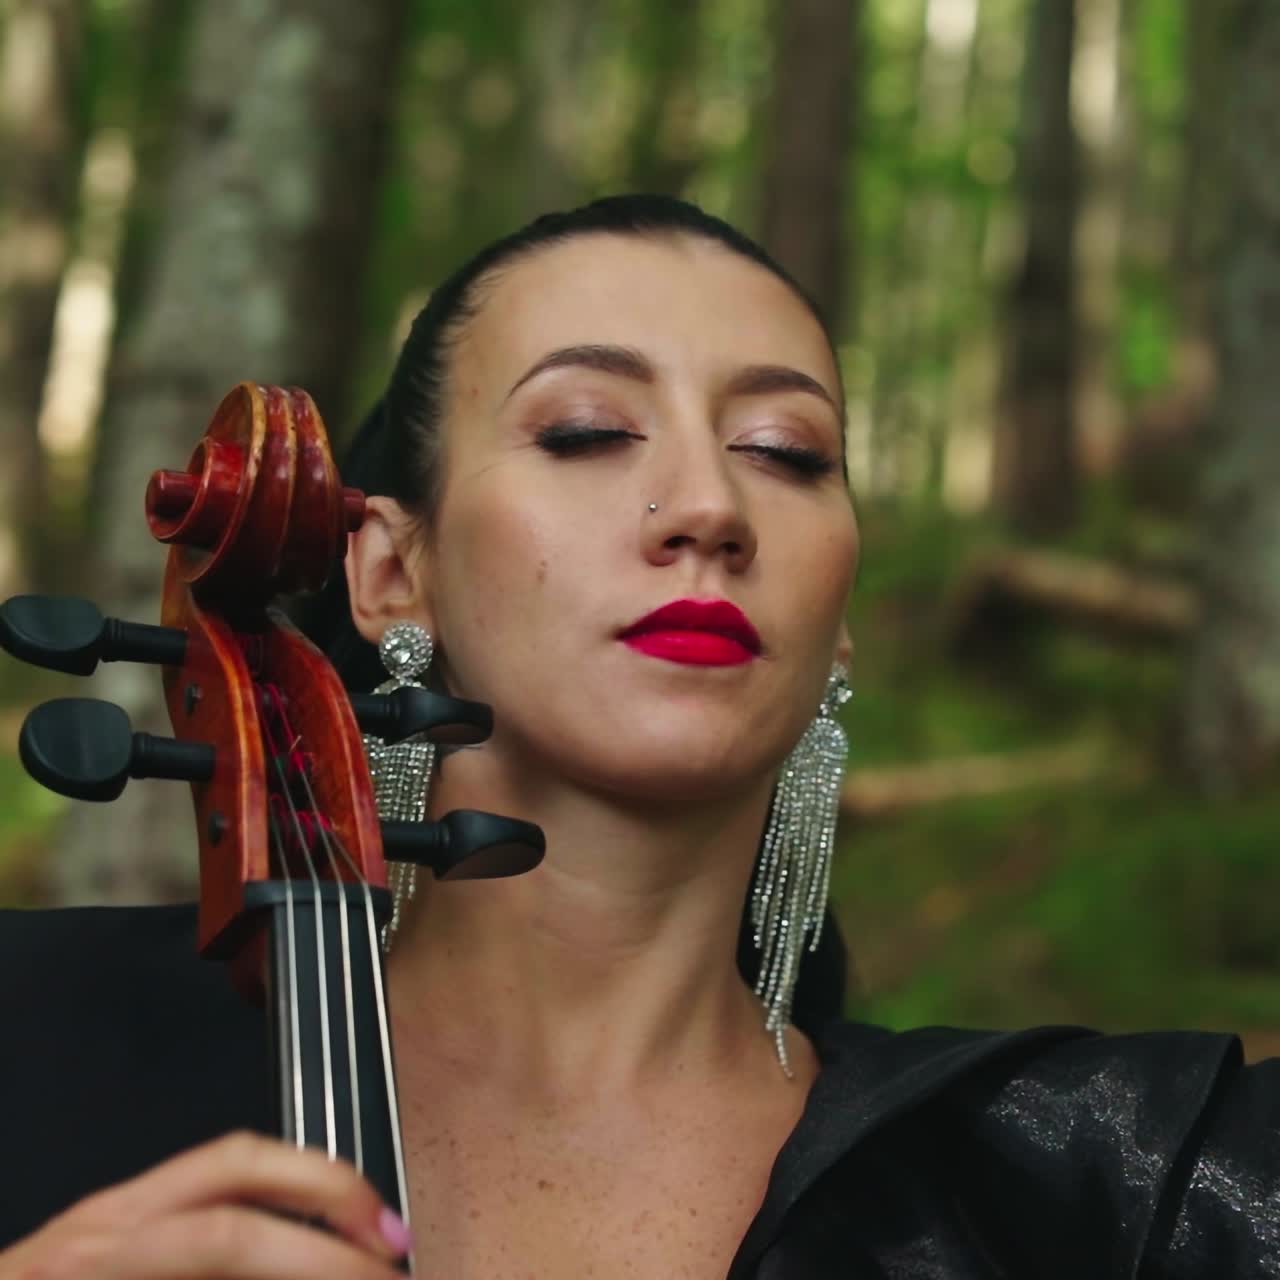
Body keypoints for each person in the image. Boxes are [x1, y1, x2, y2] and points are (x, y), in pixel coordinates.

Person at [0, 194, 1277, 1278]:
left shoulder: (1093, 1176)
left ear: (837, 625)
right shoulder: (28, 1032)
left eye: (783, 452)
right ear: (391, 567)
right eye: (586, 431)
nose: (710, 507)